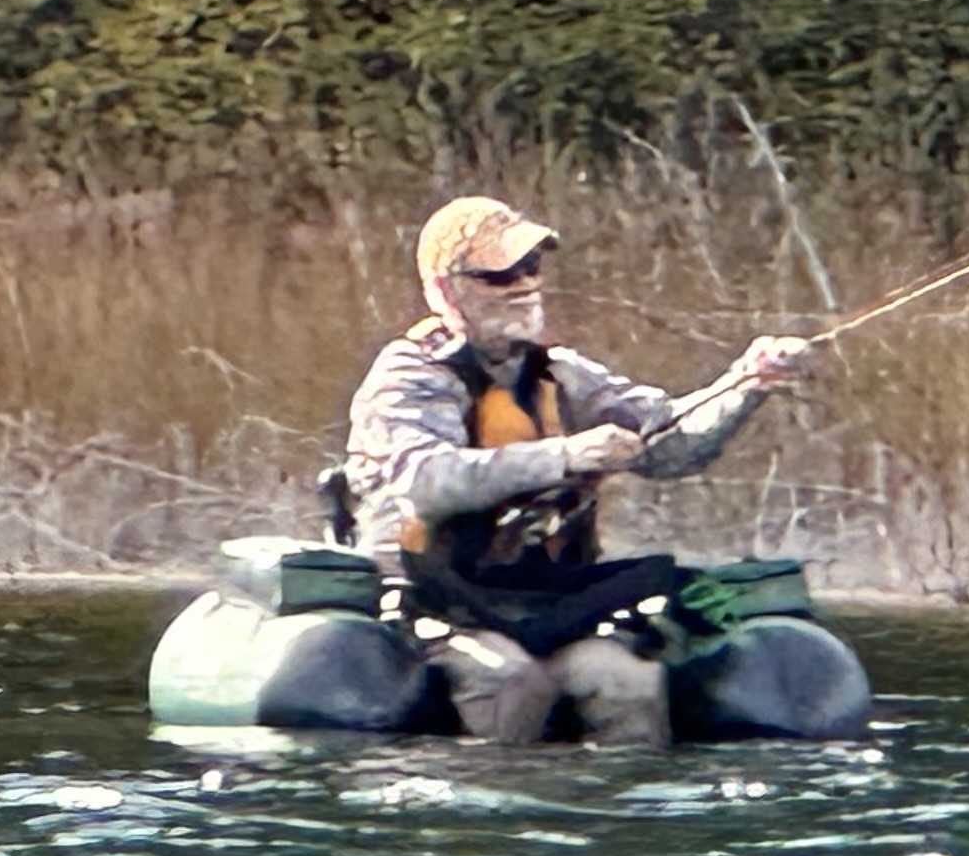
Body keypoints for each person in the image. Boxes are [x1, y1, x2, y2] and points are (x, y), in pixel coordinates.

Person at [345, 195, 811, 746]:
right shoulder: (408, 375)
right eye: (499, 275)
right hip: (436, 600)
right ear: (446, 289)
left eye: (531, 267)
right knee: (512, 680)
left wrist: (747, 384)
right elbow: (420, 483)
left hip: (548, 600)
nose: (524, 285)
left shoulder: (562, 374)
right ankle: (490, 814)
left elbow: (672, 445)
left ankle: (612, 818)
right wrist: (565, 456)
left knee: (625, 682)